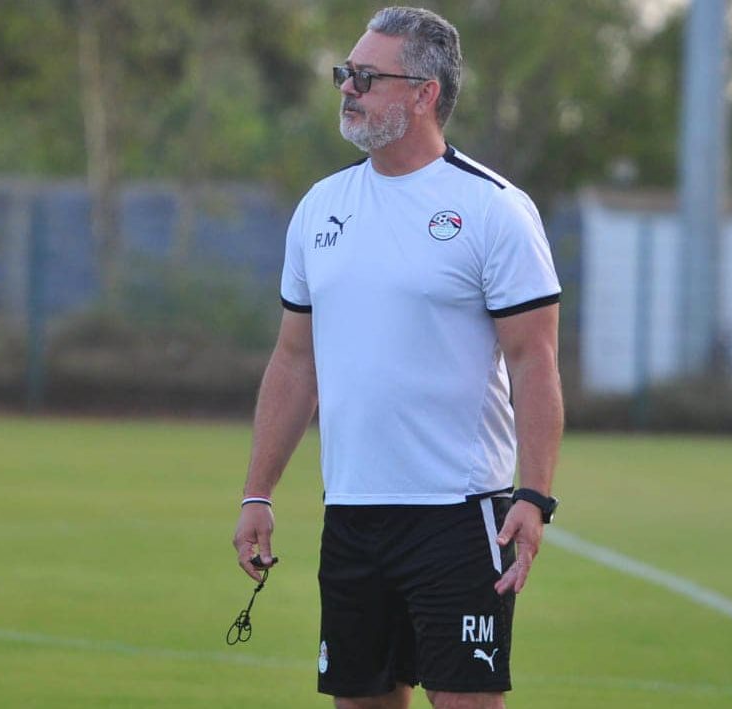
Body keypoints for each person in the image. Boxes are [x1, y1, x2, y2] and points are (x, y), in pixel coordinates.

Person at [232, 7, 563, 709]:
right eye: (345, 73)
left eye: (366, 76)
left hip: (457, 515)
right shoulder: (320, 207)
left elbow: (534, 362)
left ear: (424, 94)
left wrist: (534, 496)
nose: (347, 88)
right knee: (361, 701)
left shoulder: (494, 210)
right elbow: (294, 362)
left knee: (466, 701)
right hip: (352, 512)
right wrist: (258, 492)